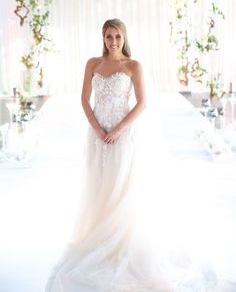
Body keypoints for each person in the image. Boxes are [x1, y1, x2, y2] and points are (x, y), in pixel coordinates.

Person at [45, 19, 219, 292]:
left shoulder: (133, 66)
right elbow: (84, 101)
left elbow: (142, 103)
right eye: (108, 37)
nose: (113, 42)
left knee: (122, 189)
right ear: (102, 38)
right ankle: (99, 238)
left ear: (124, 38)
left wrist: (116, 130)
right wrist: (98, 129)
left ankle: (122, 243)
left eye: (117, 36)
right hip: (98, 137)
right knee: (99, 187)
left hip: (123, 136)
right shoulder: (93, 64)